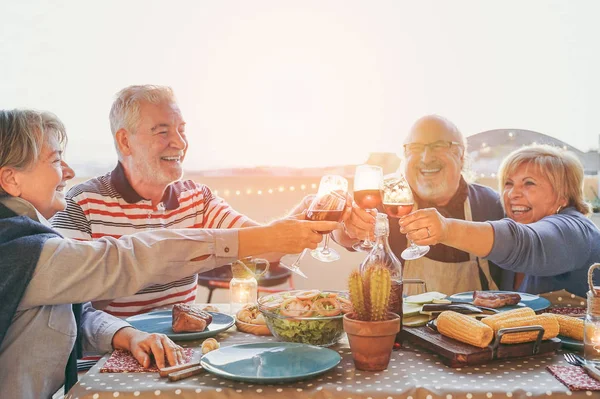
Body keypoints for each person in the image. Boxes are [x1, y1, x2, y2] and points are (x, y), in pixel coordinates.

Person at [0, 109, 339, 398]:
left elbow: (263, 242)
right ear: (11, 180)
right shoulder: (22, 249)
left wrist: (301, 221)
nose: (178, 142)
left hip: (159, 354)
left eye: (182, 130)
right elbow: (127, 260)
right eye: (56, 159)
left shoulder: (197, 195)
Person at [399, 144, 600, 298]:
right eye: (508, 183)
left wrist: (446, 228)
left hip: (582, 352)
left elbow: (525, 243)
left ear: (563, 196)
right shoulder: (517, 222)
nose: (513, 193)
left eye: (529, 183)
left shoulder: (575, 230)